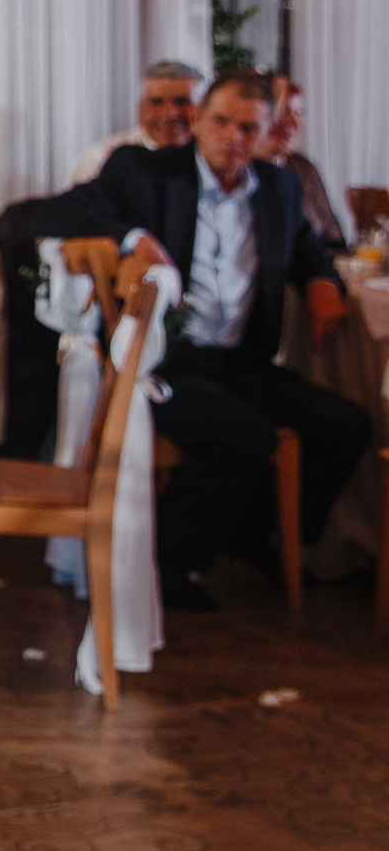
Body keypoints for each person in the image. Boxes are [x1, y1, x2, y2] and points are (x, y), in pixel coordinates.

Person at [36, 68, 368, 612]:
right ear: (199, 120)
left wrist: (322, 280)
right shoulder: (145, 172)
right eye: (220, 122)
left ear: (264, 133)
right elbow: (50, 212)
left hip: (239, 360)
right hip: (161, 362)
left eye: (248, 128)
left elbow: (307, 243)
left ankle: (246, 531)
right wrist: (134, 236)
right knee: (244, 435)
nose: (233, 138)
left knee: (345, 425)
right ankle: (165, 567)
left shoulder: (278, 186)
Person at [66, 59, 201, 186]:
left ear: (203, 109)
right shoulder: (99, 160)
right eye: (157, 102)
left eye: (183, 102)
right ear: (140, 109)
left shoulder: (213, 161)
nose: (170, 114)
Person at [260, 74, 348, 250]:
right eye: (284, 112)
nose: (293, 122)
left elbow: (333, 235)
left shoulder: (303, 167)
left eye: (299, 112)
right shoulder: (244, 172)